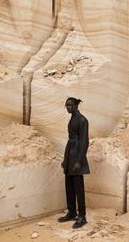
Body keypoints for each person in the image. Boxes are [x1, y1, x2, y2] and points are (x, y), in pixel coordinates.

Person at [58, 97, 90, 229]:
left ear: (76, 105)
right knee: (69, 186)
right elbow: (71, 140)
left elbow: (84, 142)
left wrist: (79, 161)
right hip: (70, 153)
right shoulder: (72, 119)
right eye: (66, 105)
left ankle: (82, 216)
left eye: (70, 105)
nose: (68, 108)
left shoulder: (82, 120)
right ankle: (72, 212)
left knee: (78, 188)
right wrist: (66, 160)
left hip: (77, 156)